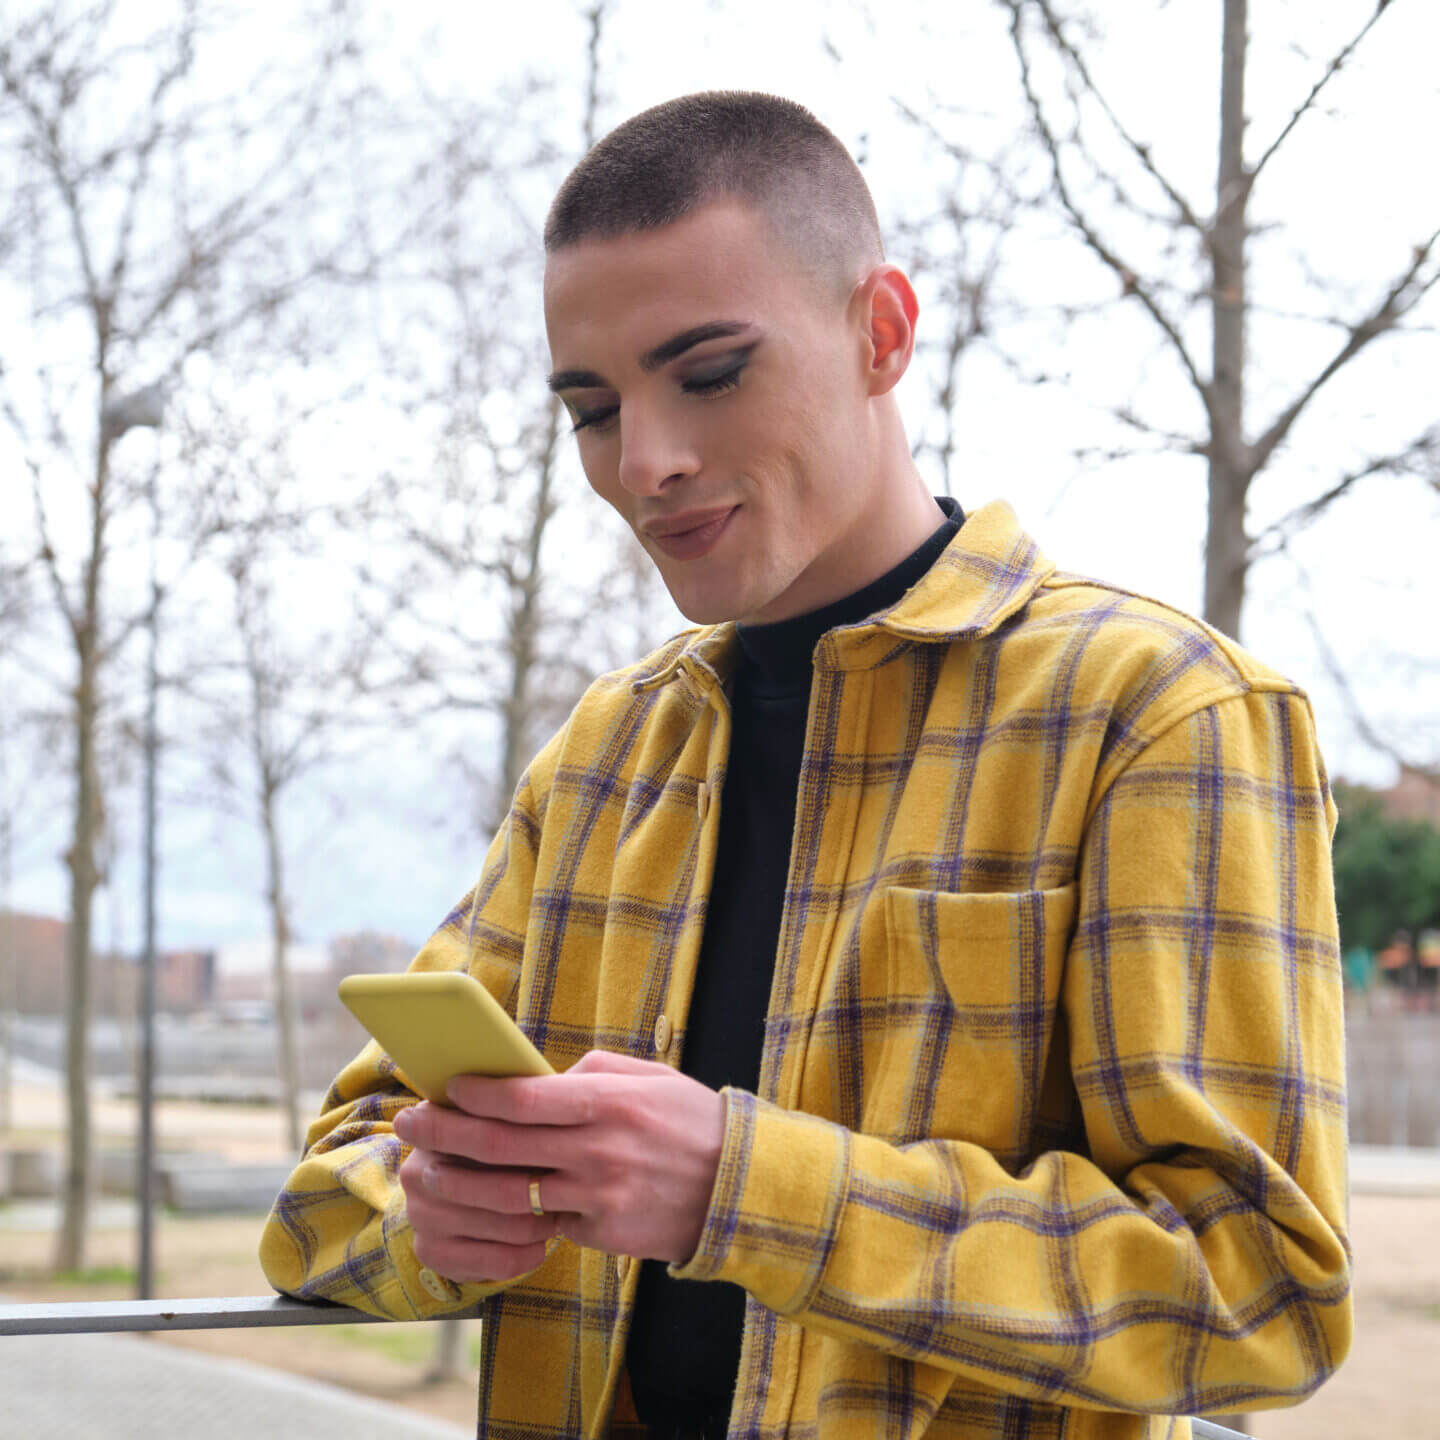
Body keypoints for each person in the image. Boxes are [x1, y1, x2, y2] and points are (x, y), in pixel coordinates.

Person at [261, 92, 1353, 1439]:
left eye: (710, 373)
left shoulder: (1157, 713)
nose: (647, 463)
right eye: (592, 411)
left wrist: (744, 1187)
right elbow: (322, 1203)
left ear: (882, 333)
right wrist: (430, 1218)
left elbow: (1259, 1296)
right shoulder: (602, 759)